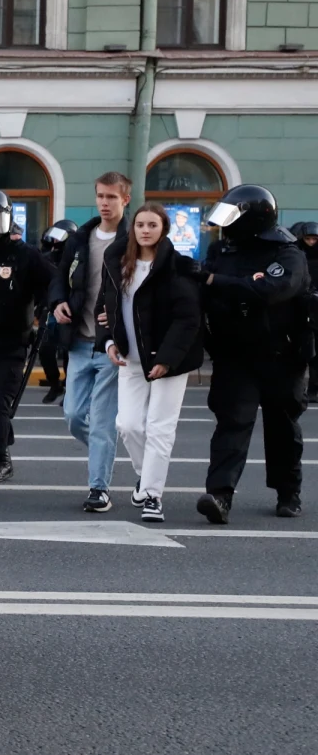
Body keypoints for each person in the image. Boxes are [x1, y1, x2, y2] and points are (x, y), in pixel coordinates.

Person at [194, 185, 310, 524]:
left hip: (282, 355)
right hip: (235, 354)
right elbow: (206, 289)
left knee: (283, 427)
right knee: (232, 423)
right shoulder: (222, 250)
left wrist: (219, 280)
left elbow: (272, 291)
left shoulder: (287, 253)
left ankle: (289, 494)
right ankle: (219, 495)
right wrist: (228, 282)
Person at [96, 204, 204, 523]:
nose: (145, 230)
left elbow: (188, 319)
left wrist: (167, 360)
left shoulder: (178, 268)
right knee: (127, 424)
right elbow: (105, 305)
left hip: (170, 361)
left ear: (164, 229)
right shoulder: (117, 262)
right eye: (140, 224)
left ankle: (153, 497)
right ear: (132, 229)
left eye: (152, 225)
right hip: (130, 358)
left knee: (160, 428)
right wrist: (109, 340)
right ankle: (146, 478)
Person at [49, 173, 130, 513]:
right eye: (100, 196)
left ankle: (99, 489)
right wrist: (58, 302)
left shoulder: (134, 240)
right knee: (72, 414)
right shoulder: (81, 238)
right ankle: (104, 448)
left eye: (111, 197)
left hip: (110, 345)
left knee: (100, 421)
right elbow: (59, 276)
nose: (104, 202)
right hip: (78, 342)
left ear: (125, 199)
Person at [0, 188, 52, 484]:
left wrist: (47, 308)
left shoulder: (24, 254)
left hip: (12, 344)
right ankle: (0, 446)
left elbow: (52, 283)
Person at [38, 220, 77, 403]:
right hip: (49, 310)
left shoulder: (75, 258)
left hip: (69, 310)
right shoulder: (48, 256)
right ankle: (55, 384)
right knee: (45, 349)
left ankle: (69, 390)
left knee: (68, 352)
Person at [291, 221, 318, 403]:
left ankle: (314, 388)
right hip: (299, 307)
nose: (311, 242)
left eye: (314, 239)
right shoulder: (296, 255)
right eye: (308, 238)